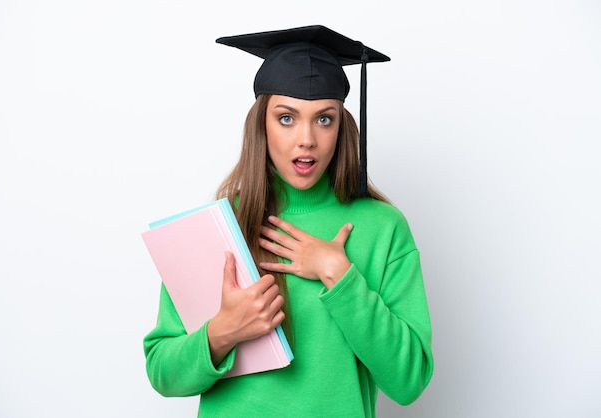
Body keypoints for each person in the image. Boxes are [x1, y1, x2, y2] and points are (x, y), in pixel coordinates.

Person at [143, 25, 433, 417]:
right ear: (261, 124)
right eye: (286, 118)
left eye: (324, 119)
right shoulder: (219, 227)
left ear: (342, 128)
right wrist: (222, 332)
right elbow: (163, 373)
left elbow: (408, 380)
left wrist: (339, 275)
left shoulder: (382, 228)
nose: (307, 139)